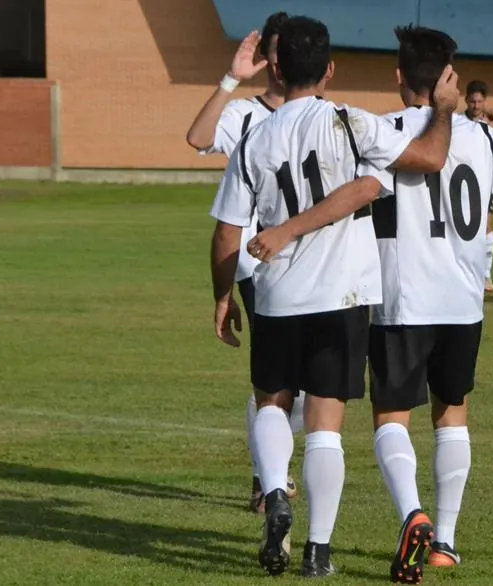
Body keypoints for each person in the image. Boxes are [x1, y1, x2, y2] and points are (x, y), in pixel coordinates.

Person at [245, 25, 493, 582]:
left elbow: (353, 185)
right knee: (452, 416)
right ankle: (447, 541)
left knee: (391, 417)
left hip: (398, 299)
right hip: (464, 301)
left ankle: (414, 513)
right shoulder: (482, 139)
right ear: (449, 79)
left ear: (398, 77)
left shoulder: (378, 130)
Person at [209, 15, 461, 578]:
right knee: (325, 426)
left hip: (275, 293)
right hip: (344, 295)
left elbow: (227, 232)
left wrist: (223, 297)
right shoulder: (352, 124)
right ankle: (318, 551)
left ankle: (275, 490)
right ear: (330, 69)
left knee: (272, 400)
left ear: (275, 67)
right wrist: (443, 108)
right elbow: (428, 160)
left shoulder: (253, 136)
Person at [186, 13, 303, 514]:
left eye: (284, 52)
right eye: (271, 52)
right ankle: (266, 480)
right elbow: (198, 137)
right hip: (259, 266)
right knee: (279, 379)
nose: (277, 62)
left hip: (316, 262)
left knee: (298, 383)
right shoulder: (245, 115)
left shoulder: (319, 113)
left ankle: (268, 475)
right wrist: (232, 78)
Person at [464, 80, 493, 293]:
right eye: (472, 101)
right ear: (466, 101)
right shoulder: (456, 122)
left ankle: (486, 274)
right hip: (462, 181)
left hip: (486, 181)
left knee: (485, 225)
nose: (476, 105)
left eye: (479, 101)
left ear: (485, 102)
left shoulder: (492, 123)